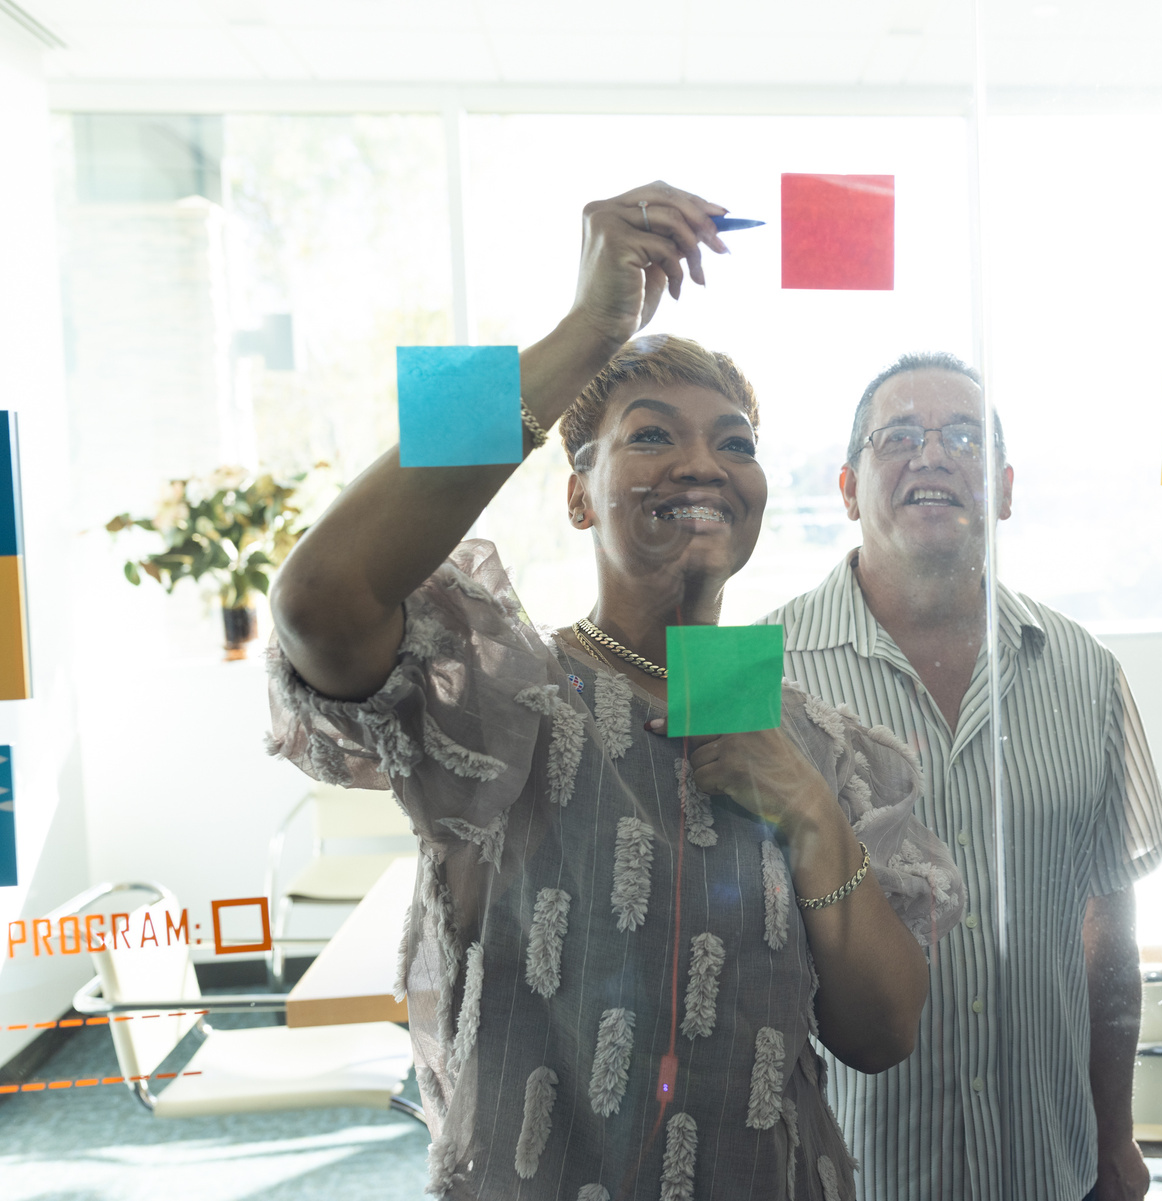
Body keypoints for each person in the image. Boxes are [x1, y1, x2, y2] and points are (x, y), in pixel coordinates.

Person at [264, 181, 963, 1200]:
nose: (703, 463)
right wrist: (585, 332)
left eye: (736, 443)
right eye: (650, 435)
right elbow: (320, 598)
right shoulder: (495, 692)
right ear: (578, 493)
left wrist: (814, 815)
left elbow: (884, 1032)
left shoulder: (820, 741)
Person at [762, 353, 1162, 1201]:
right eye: (899, 437)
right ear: (847, 487)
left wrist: (1114, 1134)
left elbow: (1109, 927)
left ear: (1007, 487)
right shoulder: (761, 671)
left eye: (963, 437)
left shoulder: (1084, 671)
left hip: (1045, 1165)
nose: (933, 456)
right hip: (843, 1176)